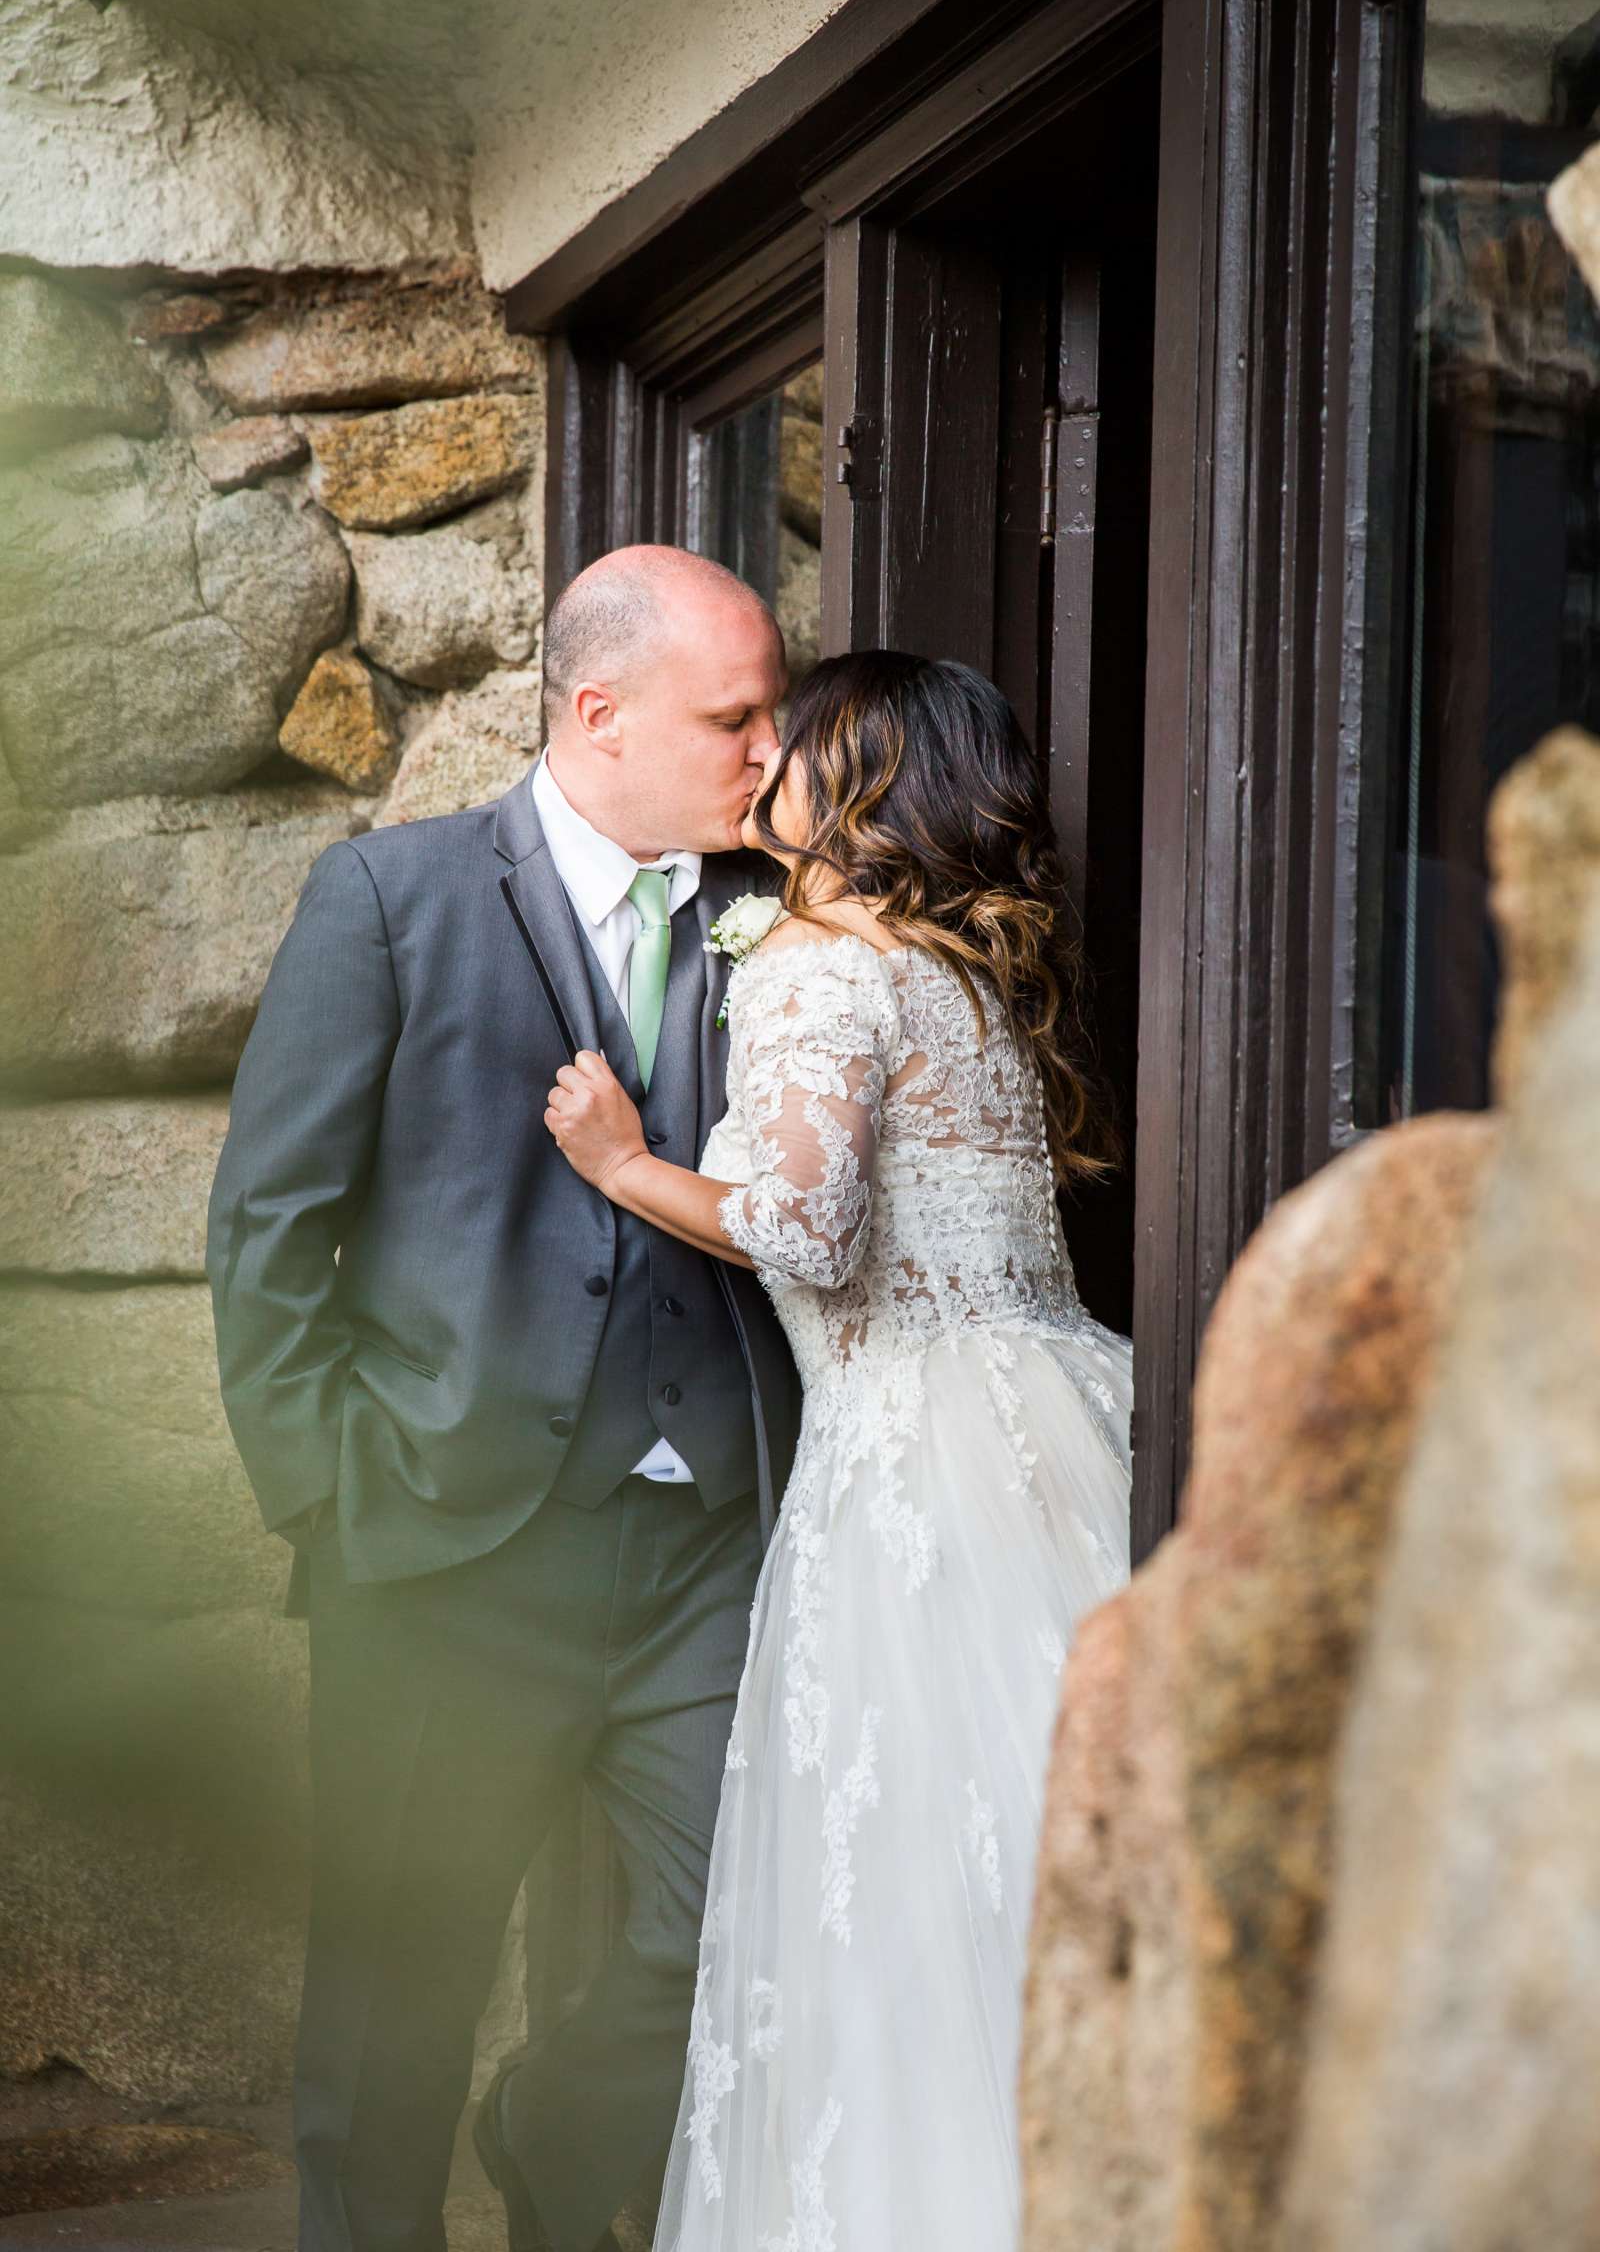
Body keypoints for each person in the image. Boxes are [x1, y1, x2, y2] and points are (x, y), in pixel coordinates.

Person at [206, 545, 802, 2252]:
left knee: (729, 1931)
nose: (769, 754)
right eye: (735, 717)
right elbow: (268, 1225)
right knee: (397, 2004)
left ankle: (548, 2143)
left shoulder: (778, 918)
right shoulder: (388, 900)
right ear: (597, 714)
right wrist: (335, 1496)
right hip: (447, 1558)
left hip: (708, 1555)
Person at [545, 649, 1135, 2250]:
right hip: (1060, 1420)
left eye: (785, 741)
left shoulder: (813, 956)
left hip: (911, 1457)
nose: (758, 764)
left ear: (857, 775)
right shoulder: (956, 958)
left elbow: (801, 1220)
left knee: (915, 1881)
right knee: (1038, 1843)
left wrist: (621, 1164)